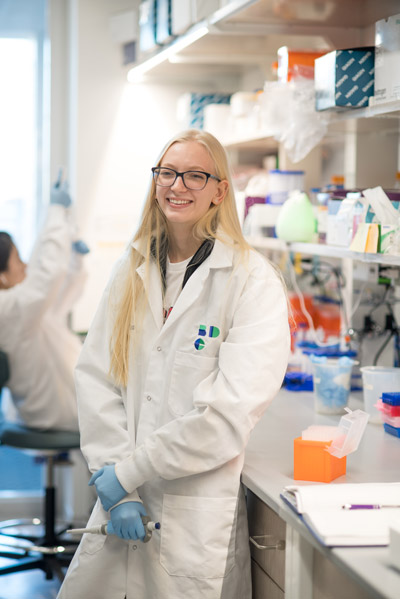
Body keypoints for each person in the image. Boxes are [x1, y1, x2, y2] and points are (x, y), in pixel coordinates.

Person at [57, 129, 290, 599]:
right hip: (122, 501)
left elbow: (223, 418)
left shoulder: (251, 282)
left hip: (193, 515)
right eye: (167, 172)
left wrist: (128, 472)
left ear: (219, 190)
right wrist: (119, 486)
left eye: (195, 175)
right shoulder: (132, 267)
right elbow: (97, 380)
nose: (177, 185)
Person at [0, 179, 88, 431]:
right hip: (53, 413)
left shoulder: (20, 306)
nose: (25, 265)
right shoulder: (8, 309)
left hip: (53, 405)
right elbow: (46, 275)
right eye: (17, 260)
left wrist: (76, 260)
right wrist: (56, 213)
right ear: (2, 275)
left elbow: (59, 297)